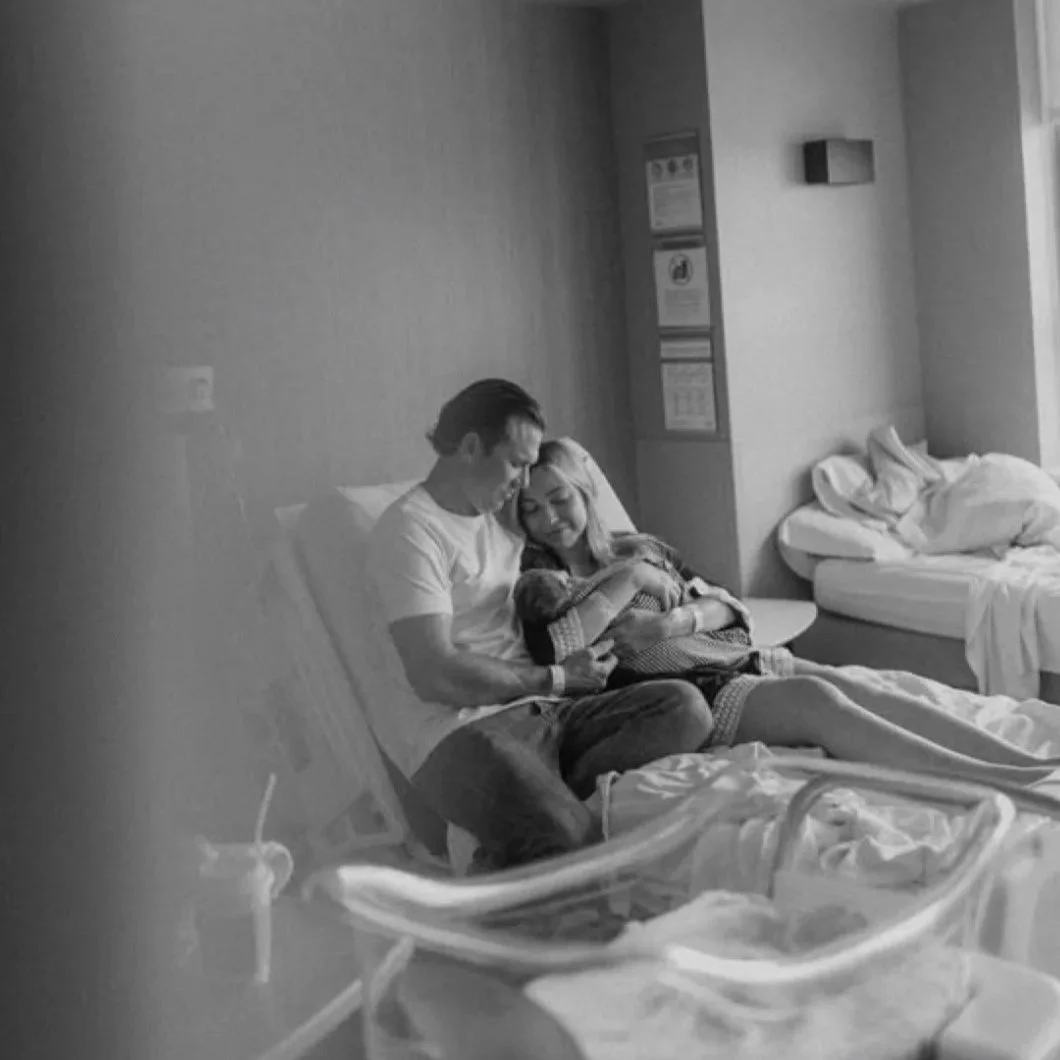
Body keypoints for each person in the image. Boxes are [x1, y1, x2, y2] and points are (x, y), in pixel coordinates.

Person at [517, 438, 1059, 786]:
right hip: (695, 688)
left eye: (559, 499)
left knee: (862, 690)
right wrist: (631, 583)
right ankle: (987, 780)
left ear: (584, 493)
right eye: (532, 509)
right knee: (817, 701)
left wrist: (671, 621)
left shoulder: (643, 549)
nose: (550, 519)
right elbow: (559, 649)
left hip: (732, 655)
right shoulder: (546, 583)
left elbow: (725, 604)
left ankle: (1022, 762)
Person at [369, 380, 714, 870]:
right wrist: (556, 678)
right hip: (462, 732)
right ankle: (541, 827)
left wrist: (638, 576)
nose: (523, 482)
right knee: (571, 838)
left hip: (545, 711)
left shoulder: (499, 515)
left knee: (685, 708)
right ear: (471, 447)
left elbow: (573, 514)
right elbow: (434, 673)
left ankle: (523, 817)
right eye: (517, 463)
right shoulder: (410, 532)